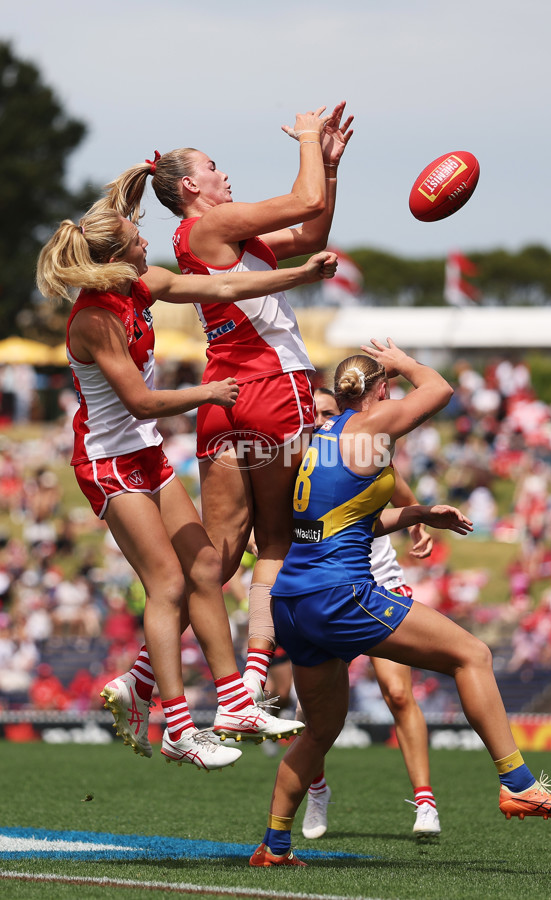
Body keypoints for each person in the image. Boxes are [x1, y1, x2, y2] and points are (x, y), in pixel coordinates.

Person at [249, 340, 551, 867]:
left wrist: (416, 515)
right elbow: (440, 390)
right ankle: (518, 782)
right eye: (387, 387)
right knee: (472, 655)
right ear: (380, 391)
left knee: (320, 730)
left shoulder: (323, 439)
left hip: (292, 598)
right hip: (339, 594)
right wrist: (404, 363)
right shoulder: (371, 425)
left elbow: (343, 522)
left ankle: (274, 845)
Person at [35, 207, 337, 771]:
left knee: (205, 566)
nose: (145, 243)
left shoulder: (141, 286)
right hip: (108, 462)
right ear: (114, 257)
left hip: (146, 453)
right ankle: (177, 727)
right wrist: (209, 394)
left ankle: (235, 704)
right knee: (168, 583)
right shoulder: (95, 319)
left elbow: (222, 286)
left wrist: (301, 274)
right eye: (135, 239)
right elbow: (141, 402)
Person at [91, 103, 353, 702]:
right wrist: (308, 139)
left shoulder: (217, 236)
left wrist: (330, 168)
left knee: (220, 555)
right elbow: (305, 201)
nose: (224, 174)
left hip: (223, 396)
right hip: (272, 384)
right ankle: (255, 680)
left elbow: (311, 232)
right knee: (279, 539)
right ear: (190, 186)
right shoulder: (216, 224)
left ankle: (141, 676)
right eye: (213, 167)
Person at [300, 388, 441, 841]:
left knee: (398, 693)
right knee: (312, 709)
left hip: (377, 580)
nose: (319, 420)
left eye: (327, 412)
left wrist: (417, 523)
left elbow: (395, 483)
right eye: (312, 414)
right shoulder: (294, 463)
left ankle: (425, 801)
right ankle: (317, 790)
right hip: (322, 588)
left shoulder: (363, 446)